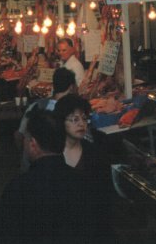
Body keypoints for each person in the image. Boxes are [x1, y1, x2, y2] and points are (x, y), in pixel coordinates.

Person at [0, 109, 84, 243]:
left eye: (25, 138)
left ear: (33, 144)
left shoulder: (18, 188)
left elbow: (3, 237)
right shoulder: (84, 184)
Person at [54, 93, 113, 241]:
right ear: (61, 122)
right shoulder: (53, 155)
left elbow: (104, 198)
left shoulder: (94, 154)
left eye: (84, 118)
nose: (81, 124)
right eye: (74, 119)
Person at [14, 67, 77, 172]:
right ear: (71, 87)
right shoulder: (73, 112)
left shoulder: (35, 106)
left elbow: (18, 136)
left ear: (54, 85)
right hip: (59, 170)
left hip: (32, 169)